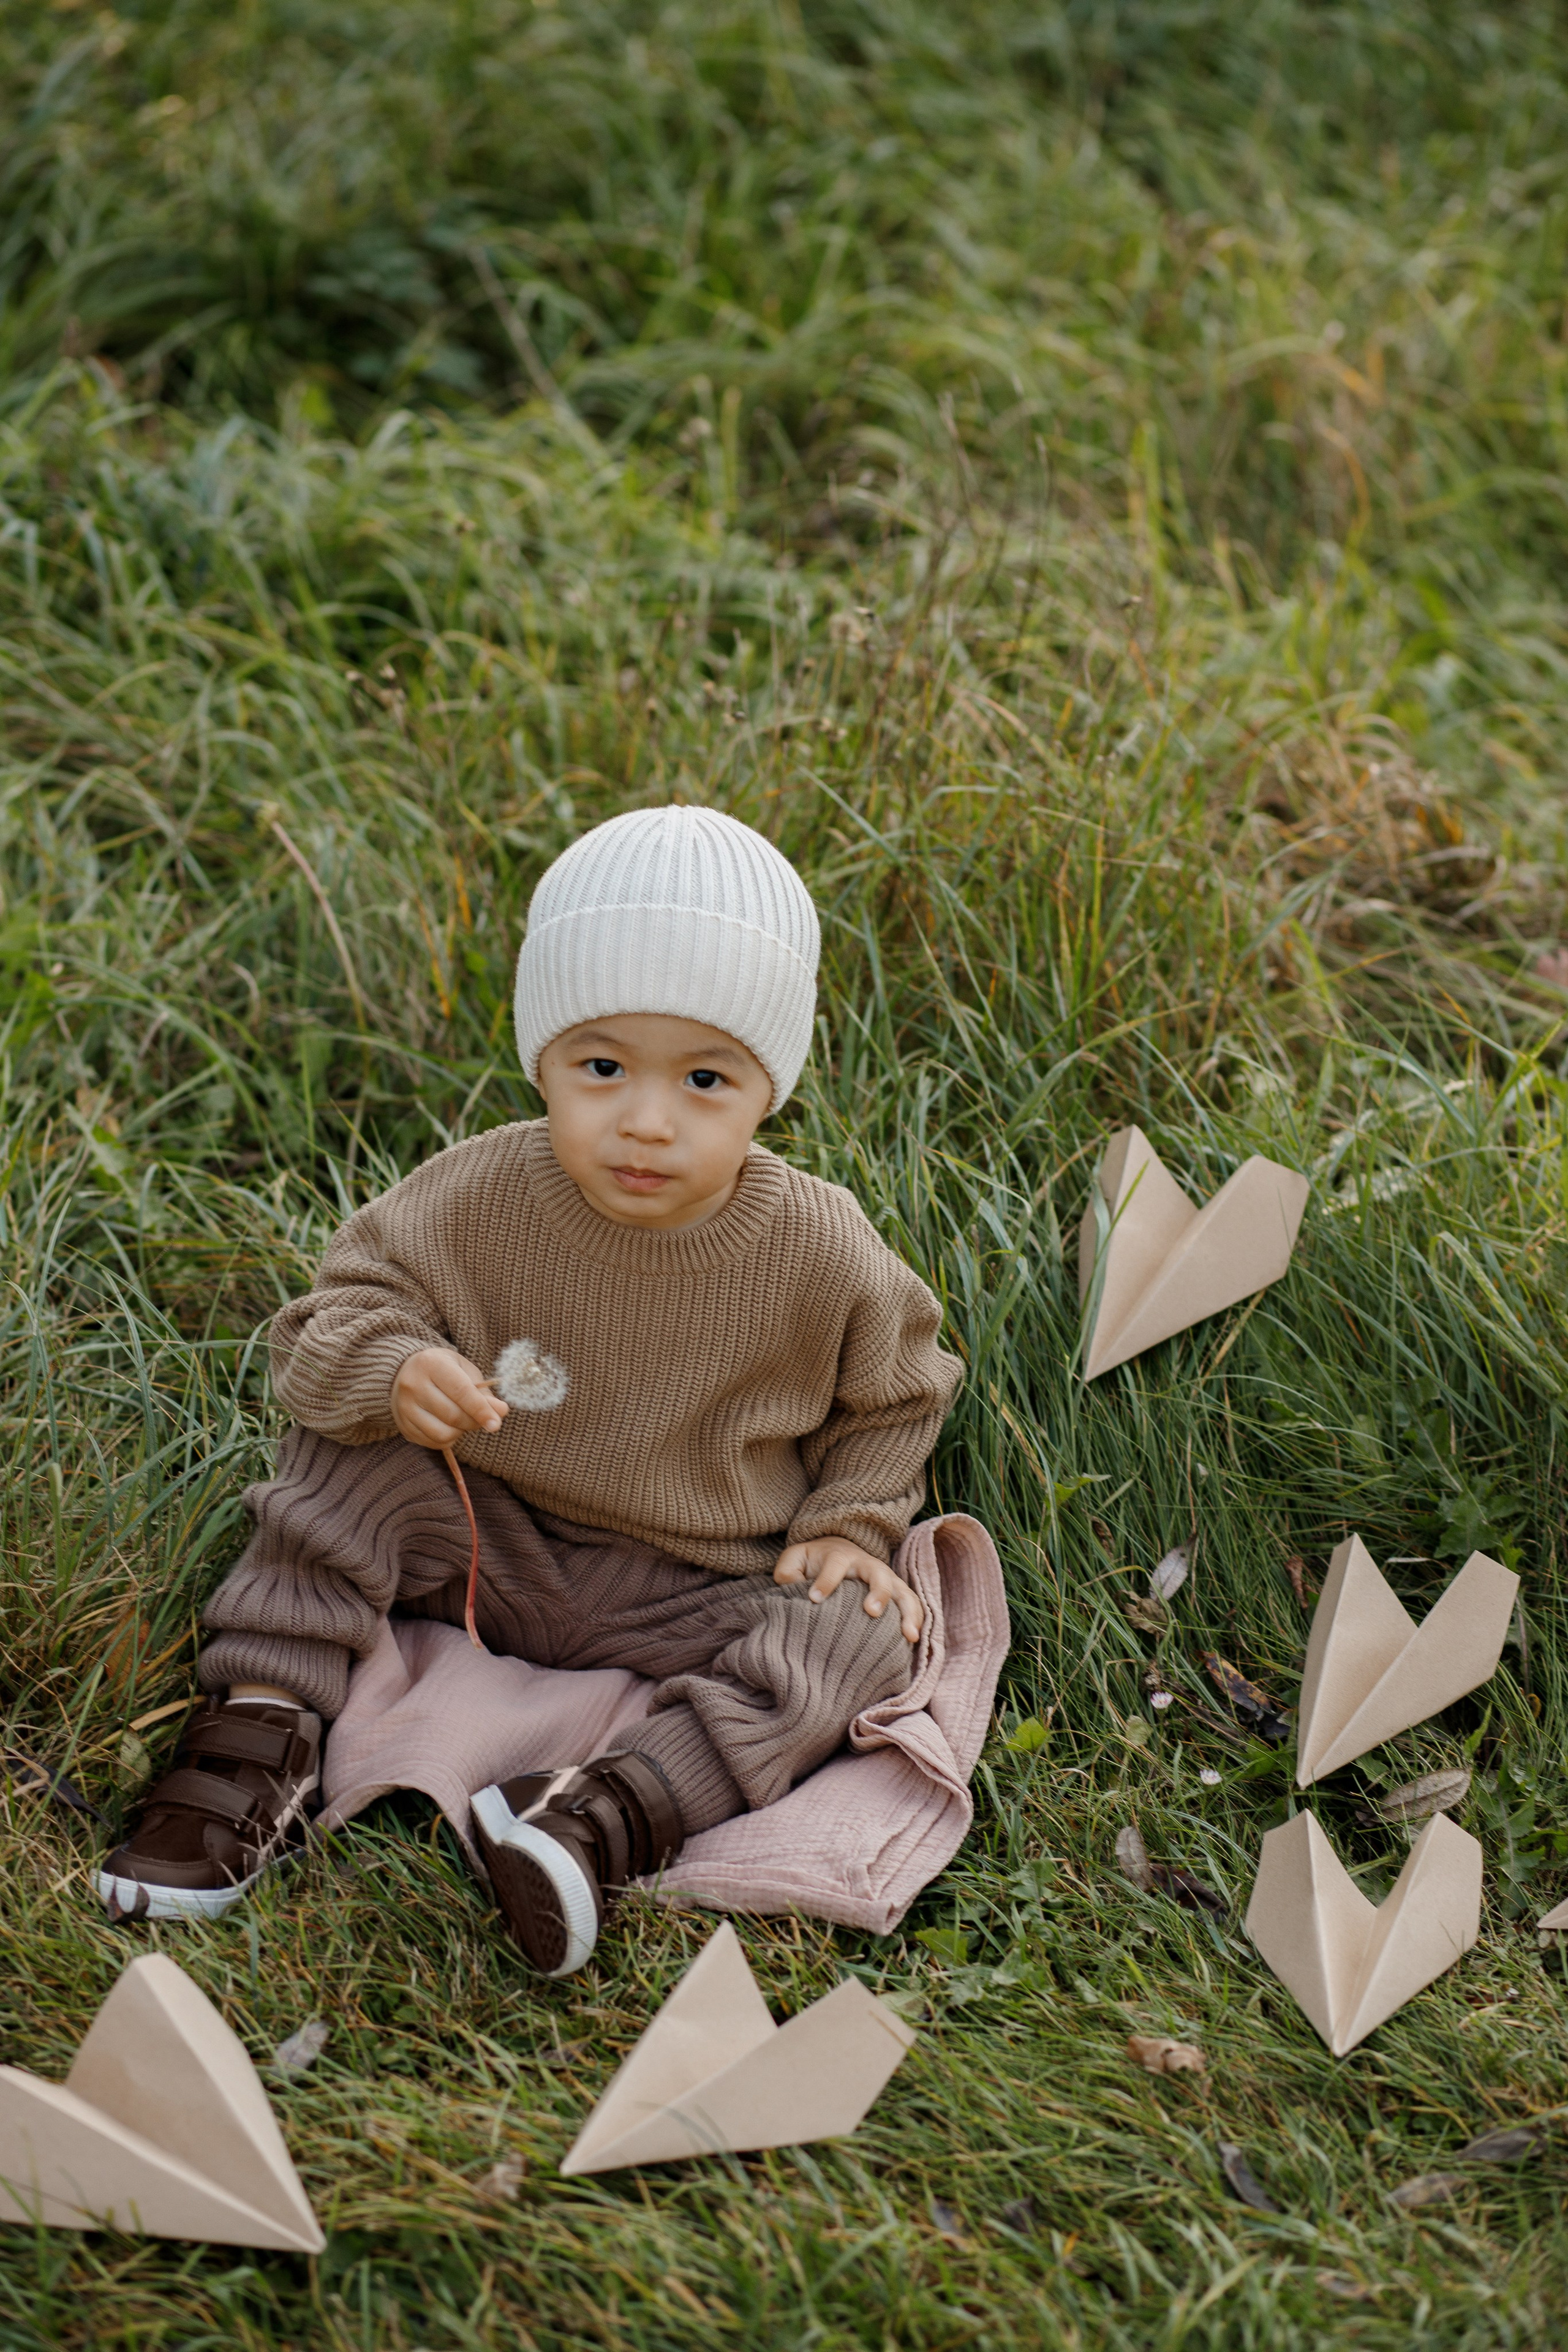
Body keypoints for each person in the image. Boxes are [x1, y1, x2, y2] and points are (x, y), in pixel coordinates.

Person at [100, 806, 963, 1974]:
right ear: (542, 1061)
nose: (645, 1121)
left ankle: (603, 1813)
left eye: (706, 1078)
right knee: (340, 1460)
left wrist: (848, 1525)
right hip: (480, 1538)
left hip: (695, 1587)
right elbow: (322, 1327)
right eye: (600, 1067)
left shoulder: (821, 1248)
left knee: (866, 1630)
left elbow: (899, 1395)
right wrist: (395, 1368)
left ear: (771, 1086)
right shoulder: (476, 1196)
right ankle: (261, 1733)